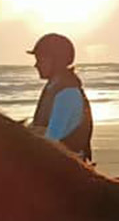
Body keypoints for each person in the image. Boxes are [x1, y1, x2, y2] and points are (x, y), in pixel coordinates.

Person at [27, 33, 93, 161]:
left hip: (64, 164)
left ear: (56, 61)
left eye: (40, 60)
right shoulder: (53, 87)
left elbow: (52, 138)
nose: (36, 65)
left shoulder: (67, 93)